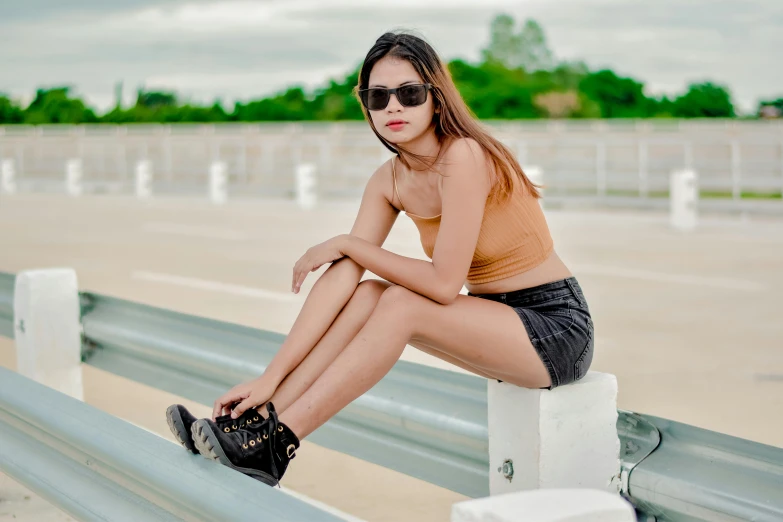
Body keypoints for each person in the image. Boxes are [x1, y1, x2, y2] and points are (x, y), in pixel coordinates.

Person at [166, 31, 594, 487]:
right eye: (378, 96)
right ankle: (258, 422)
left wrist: (351, 244)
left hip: (553, 326)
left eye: (409, 94)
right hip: (496, 318)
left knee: (400, 303)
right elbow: (345, 278)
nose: (393, 107)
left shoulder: (464, 156)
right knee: (370, 292)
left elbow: (444, 284)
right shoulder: (388, 180)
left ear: (436, 98)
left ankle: (278, 444)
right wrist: (270, 377)